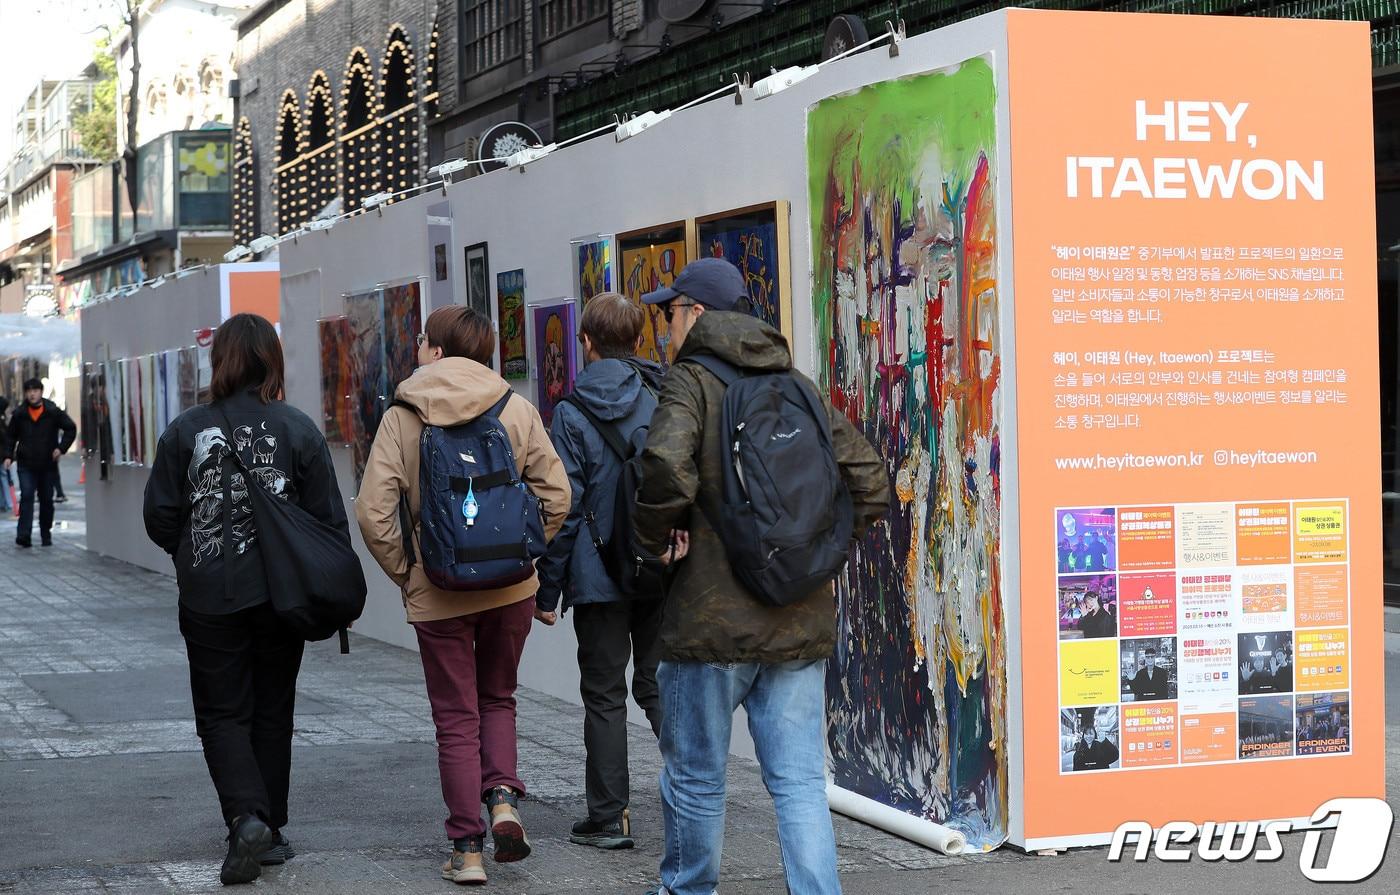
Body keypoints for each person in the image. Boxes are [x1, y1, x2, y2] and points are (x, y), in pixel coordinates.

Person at [632, 258, 889, 895]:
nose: (665, 325)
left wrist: (654, 543)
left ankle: (688, 890)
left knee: (696, 779)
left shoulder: (689, 381)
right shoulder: (795, 382)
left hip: (709, 625)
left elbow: (665, 465)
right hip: (797, 617)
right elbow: (872, 483)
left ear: (693, 312)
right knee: (799, 783)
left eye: (669, 312)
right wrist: (819, 554)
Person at [356, 306, 570, 886]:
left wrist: (409, 572)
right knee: (498, 697)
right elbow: (558, 496)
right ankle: (503, 799)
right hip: (511, 590)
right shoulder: (515, 407)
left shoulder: (403, 417)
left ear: (436, 351)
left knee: (456, 718)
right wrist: (526, 551)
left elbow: (374, 514)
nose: (419, 348)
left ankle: (467, 850)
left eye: (424, 340)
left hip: (439, 590)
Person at [143, 314, 349, 885]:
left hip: (210, 594)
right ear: (272, 361)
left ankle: (245, 817)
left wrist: (191, 552)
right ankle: (270, 828)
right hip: (283, 593)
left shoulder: (187, 429)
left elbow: (159, 514)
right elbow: (327, 518)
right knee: (272, 706)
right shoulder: (299, 429)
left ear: (221, 361)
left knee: (221, 712)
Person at [534, 292, 668, 850]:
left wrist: (548, 588)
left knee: (605, 695)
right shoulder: (663, 396)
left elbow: (563, 507)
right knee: (660, 687)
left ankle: (609, 818)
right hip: (660, 566)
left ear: (585, 343)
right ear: (637, 340)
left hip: (598, 575)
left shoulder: (568, 412)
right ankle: (696, 797)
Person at [2, 378, 76, 547]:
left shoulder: (52, 411)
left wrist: (61, 448)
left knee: (46, 500)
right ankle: (24, 535)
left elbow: (70, 428)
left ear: (41, 392)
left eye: (35, 390)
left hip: (47, 464)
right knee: (27, 496)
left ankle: (45, 533)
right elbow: (11, 436)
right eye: (29, 391)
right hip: (26, 463)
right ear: (26, 393)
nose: (32, 394)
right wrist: (8, 456)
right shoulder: (20, 414)